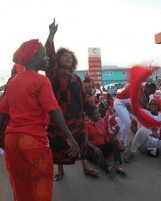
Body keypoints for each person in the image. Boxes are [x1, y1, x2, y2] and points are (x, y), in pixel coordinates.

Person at [0, 38, 79, 201]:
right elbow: (53, 109)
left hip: (12, 142)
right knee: (40, 186)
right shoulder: (41, 80)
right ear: (34, 58)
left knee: (20, 185)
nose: (47, 59)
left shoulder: (13, 82)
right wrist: (69, 136)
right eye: (44, 56)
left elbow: (2, 113)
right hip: (32, 142)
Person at [45, 19, 98, 181]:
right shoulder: (53, 74)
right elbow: (50, 55)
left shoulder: (76, 77)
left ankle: (85, 167)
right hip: (60, 118)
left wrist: (92, 109)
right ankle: (60, 170)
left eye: (70, 57)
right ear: (59, 59)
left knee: (81, 141)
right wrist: (51, 35)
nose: (68, 58)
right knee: (59, 144)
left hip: (77, 118)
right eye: (64, 56)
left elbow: (82, 96)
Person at [124, 98, 161, 172]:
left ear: (159, 107)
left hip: (155, 144)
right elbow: (132, 109)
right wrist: (127, 102)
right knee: (144, 130)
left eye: (155, 104)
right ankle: (132, 153)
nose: (153, 106)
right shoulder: (144, 112)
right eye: (151, 104)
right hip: (143, 143)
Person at [85, 105, 125, 176]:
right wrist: (95, 148)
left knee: (115, 142)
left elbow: (107, 135)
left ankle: (117, 165)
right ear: (90, 115)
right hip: (92, 148)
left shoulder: (102, 122)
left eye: (99, 113)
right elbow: (85, 141)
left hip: (103, 146)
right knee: (97, 155)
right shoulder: (86, 125)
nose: (99, 115)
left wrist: (113, 143)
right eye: (96, 113)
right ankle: (109, 169)